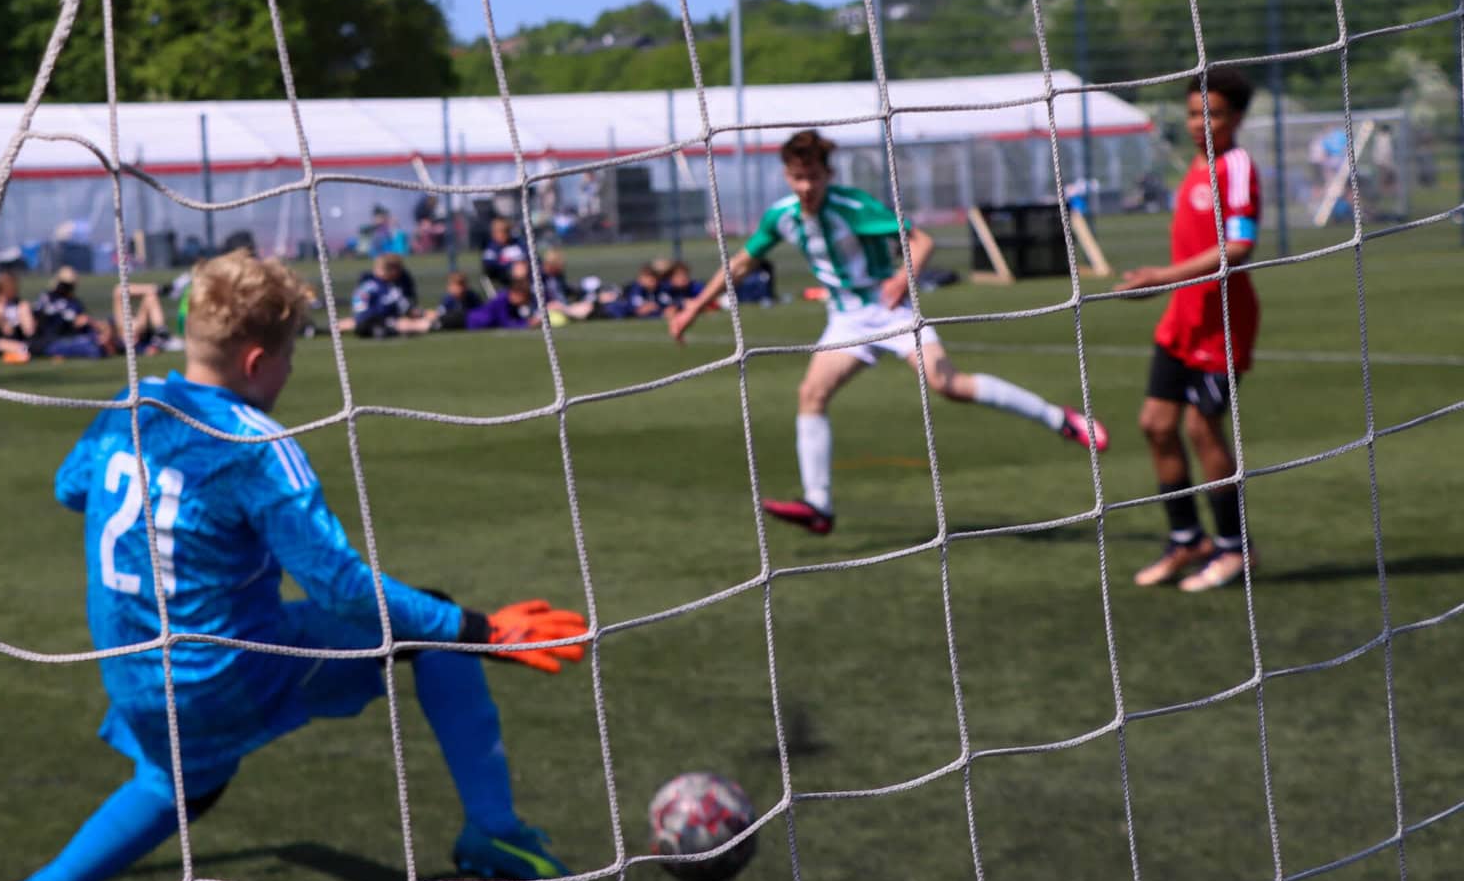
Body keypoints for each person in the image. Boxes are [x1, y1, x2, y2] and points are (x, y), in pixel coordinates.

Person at [0, 250, 592, 881]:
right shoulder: (254, 445)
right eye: (290, 356)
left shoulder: (131, 407)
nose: (291, 371)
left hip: (134, 676)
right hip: (225, 675)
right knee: (429, 624)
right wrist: (481, 630)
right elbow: (341, 586)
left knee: (176, 779)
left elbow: (70, 488)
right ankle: (494, 827)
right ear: (255, 362)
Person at [670, 129, 1108, 536]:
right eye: (798, 178)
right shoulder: (781, 216)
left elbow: (922, 241)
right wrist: (693, 306)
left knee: (947, 384)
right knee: (811, 394)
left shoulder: (853, 206)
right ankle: (818, 506)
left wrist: (903, 277)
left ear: (827, 174)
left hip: (892, 313)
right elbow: (742, 263)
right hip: (847, 321)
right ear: (786, 175)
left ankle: (1062, 420)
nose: (806, 187)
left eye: (814, 177)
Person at [1119, 69, 1263, 593]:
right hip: (1181, 320)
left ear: (1237, 118)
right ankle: (1187, 539)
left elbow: (1238, 246)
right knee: (1156, 425)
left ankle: (1234, 548)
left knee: (1203, 430)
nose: (1201, 124)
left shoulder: (1236, 166)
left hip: (1221, 326)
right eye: (1194, 113)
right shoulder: (1195, 168)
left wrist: (1161, 277)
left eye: (1214, 114)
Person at [343, 253, 431, 338]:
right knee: (417, 324)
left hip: (359, 320)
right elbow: (401, 307)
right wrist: (420, 314)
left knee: (350, 322)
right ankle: (381, 330)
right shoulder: (386, 287)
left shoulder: (366, 283)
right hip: (378, 320)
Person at [36, 266, 104, 359]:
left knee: (94, 340)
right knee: (91, 347)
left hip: (73, 337)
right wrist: (73, 321)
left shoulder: (74, 302)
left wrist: (91, 322)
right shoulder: (48, 298)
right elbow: (42, 318)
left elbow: (83, 320)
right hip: (53, 340)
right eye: (65, 285)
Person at [466, 259, 542, 330]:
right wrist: (527, 324)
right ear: (516, 294)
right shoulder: (501, 300)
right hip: (475, 322)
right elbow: (505, 323)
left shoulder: (512, 305)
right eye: (524, 298)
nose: (525, 301)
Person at [537, 249, 597, 321]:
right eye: (560, 265)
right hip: (548, 309)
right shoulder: (539, 277)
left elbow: (566, 291)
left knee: (587, 306)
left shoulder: (558, 276)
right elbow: (544, 303)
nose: (562, 268)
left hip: (563, 307)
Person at [480, 216, 528, 288]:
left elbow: (531, 257)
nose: (502, 234)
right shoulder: (491, 249)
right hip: (506, 281)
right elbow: (490, 267)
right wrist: (512, 266)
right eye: (498, 231)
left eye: (505, 231)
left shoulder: (519, 244)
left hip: (527, 275)